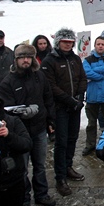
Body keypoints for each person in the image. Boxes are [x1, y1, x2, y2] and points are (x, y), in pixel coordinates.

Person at [0, 44, 57, 206]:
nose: (26, 60)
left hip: (39, 128)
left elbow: (48, 98)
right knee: (21, 169)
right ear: (16, 59)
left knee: (40, 165)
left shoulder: (39, 76)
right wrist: (21, 112)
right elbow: (6, 109)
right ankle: (24, 199)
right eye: (22, 57)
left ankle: (41, 194)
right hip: (19, 133)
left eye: (29, 57)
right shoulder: (7, 81)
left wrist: (50, 120)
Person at [41, 28, 88, 196]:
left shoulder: (76, 59)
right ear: (58, 43)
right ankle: (60, 176)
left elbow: (83, 78)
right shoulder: (49, 61)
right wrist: (70, 100)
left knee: (72, 138)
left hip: (75, 106)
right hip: (60, 107)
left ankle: (68, 166)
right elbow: (50, 86)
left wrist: (80, 97)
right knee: (61, 142)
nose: (68, 45)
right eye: (64, 42)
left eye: (70, 42)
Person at [82, 37, 104, 156]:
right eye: (98, 44)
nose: (100, 46)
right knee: (91, 123)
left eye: (103, 44)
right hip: (92, 96)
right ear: (95, 46)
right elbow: (87, 72)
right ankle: (90, 145)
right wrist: (101, 74)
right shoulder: (87, 60)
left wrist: (95, 71)